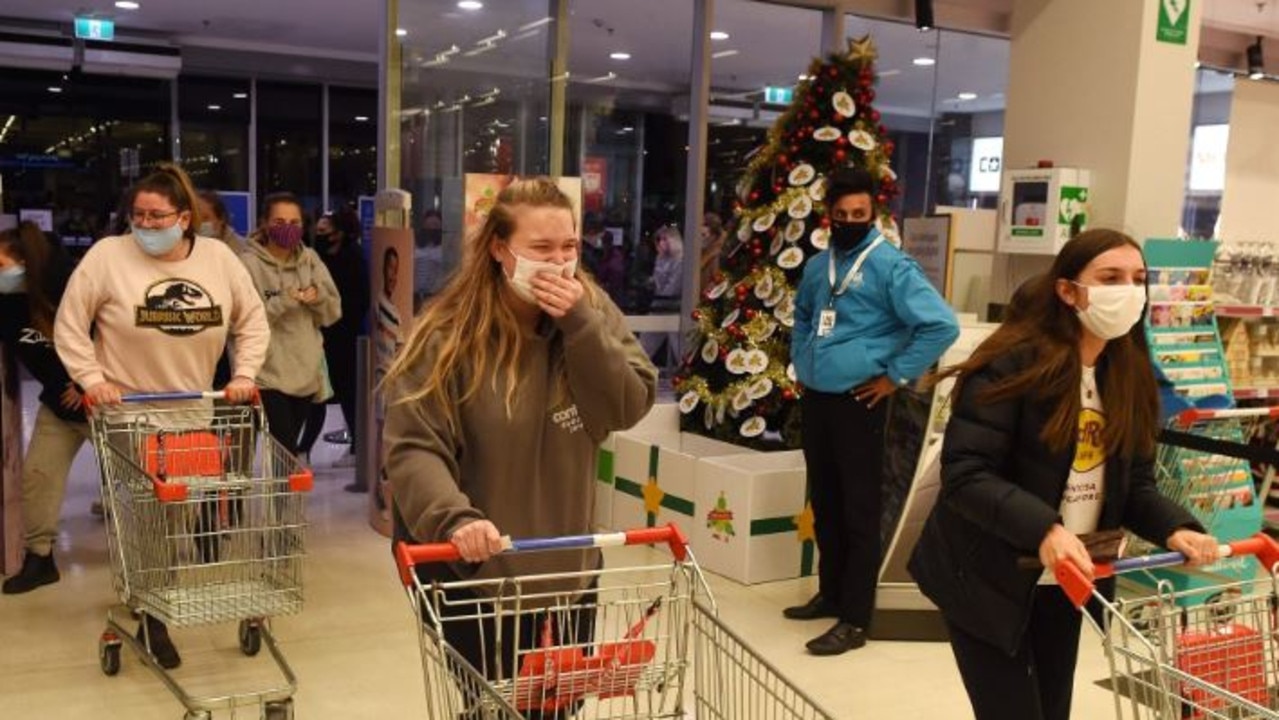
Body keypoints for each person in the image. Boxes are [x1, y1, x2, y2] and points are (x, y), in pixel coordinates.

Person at [907, 229, 1221, 720]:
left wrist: (1177, 528)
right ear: (1068, 290)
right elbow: (967, 474)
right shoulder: (1013, 364)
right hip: (986, 574)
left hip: (1072, 576)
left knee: (1053, 709)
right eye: (1110, 277)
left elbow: (1134, 487)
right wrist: (1045, 529)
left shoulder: (1129, 374)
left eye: (1139, 279)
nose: (1129, 291)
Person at [383, 177, 657, 701]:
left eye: (569, 247)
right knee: (492, 703)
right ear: (499, 250)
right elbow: (415, 445)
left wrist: (579, 325)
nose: (558, 262)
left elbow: (627, 405)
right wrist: (455, 518)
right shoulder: (447, 337)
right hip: (478, 576)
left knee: (560, 704)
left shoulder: (592, 312)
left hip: (568, 570)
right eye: (540, 248)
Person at [54, 162, 270, 670]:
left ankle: (149, 594)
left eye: (158, 216)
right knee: (145, 517)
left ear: (185, 218)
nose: (147, 226)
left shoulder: (217, 259)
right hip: (127, 412)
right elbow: (69, 326)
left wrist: (244, 374)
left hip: (193, 411)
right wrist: (92, 379)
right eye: (138, 216)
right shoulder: (108, 256)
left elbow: (253, 320)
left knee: (175, 517)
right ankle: (153, 620)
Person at [786, 166, 960, 656]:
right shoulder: (820, 266)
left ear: (873, 215)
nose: (849, 221)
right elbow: (803, 316)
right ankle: (832, 591)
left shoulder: (891, 267)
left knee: (860, 510)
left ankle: (855, 618)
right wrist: (802, 359)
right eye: (840, 215)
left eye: (858, 215)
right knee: (825, 504)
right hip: (818, 401)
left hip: (862, 403)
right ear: (829, 216)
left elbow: (939, 326)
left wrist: (894, 376)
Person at [0, 223, 88, 594]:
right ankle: (40, 558)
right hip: (58, 406)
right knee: (38, 476)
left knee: (135, 482)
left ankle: (152, 558)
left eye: (0, 265)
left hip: (102, 402)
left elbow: (112, 338)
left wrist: (86, 385)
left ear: (23, 262)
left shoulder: (69, 288)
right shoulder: (7, 301)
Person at [240, 192, 342, 457]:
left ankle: (284, 497)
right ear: (264, 223)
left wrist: (317, 298)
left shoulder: (310, 259)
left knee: (286, 454)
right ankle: (283, 496)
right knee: (284, 449)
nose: (288, 229)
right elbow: (244, 320)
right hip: (267, 373)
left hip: (305, 370)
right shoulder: (248, 264)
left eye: (295, 222)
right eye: (279, 221)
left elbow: (333, 312)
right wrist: (283, 301)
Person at [297, 209, 368, 467]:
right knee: (320, 392)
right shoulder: (320, 257)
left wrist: (338, 319)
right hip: (323, 336)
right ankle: (303, 449)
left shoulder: (354, 257)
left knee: (346, 393)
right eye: (320, 229)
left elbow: (357, 299)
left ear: (341, 231)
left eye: (327, 230)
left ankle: (356, 448)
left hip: (344, 338)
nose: (322, 234)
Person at [412, 208, 445, 310]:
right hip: (415, 295)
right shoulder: (415, 245)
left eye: (435, 225)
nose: (432, 228)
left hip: (435, 296)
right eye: (429, 225)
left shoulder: (444, 247)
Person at [699, 211, 726, 293]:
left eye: (703, 235)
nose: (700, 239)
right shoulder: (701, 252)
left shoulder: (717, 255)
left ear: (714, 236)